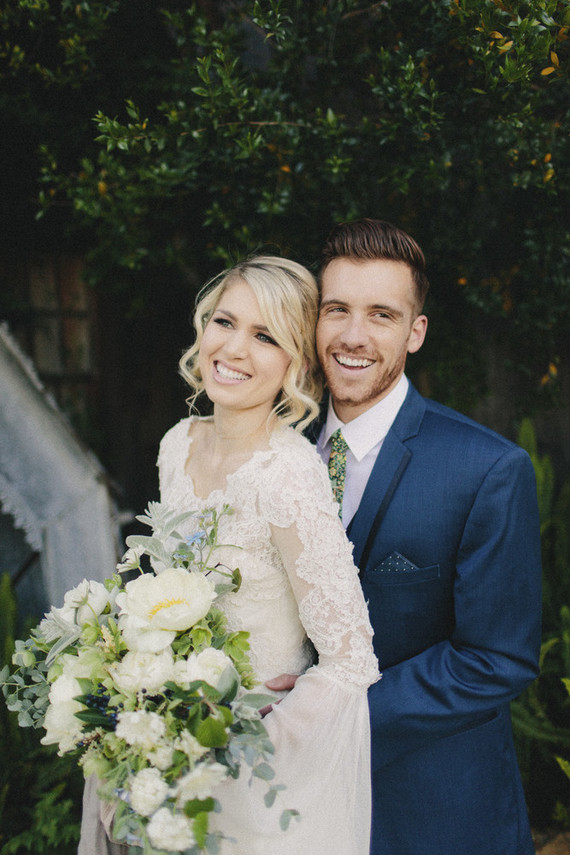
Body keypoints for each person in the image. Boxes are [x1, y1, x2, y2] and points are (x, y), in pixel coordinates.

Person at [78, 255, 380, 855]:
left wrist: (255, 728)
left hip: (251, 770)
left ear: (296, 362)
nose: (234, 348)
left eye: (266, 336)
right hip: (165, 750)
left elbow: (350, 660)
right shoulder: (178, 444)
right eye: (225, 321)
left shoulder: (288, 476)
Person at [268, 218, 542, 855]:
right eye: (337, 309)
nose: (353, 336)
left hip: (431, 815)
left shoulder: (486, 469)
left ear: (415, 332)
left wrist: (324, 720)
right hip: (285, 811)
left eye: (382, 315)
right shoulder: (274, 450)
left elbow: (497, 659)